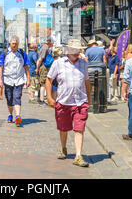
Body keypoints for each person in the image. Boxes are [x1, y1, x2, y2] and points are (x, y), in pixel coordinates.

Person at [45, 39, 91, 168]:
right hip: (64, 102)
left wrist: (89, 97)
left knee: (79, 128)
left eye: (79, 50)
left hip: (80, 102)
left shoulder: (83, 64)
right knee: (63, 128)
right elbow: (48, 80)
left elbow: (87, 81)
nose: (78, 52)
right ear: (68, 50)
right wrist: (49, 97)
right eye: (75, 50)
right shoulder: (58, 63)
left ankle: (78, 156)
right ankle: (64, 147)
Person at [0, 35, 30, 127]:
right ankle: (10, 114)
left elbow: (26, 67)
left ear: (18, 44)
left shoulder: (22, 53)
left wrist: (28, 79)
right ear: (10, 44)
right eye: (13, 43)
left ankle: (18, 116)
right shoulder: (5, 53)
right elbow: (0, 67)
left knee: (17, 97)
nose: (14, 45)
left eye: (16, 44)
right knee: (9, 99)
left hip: (19, 79)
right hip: (7, 79)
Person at [36, 37, 54, 105]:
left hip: (44, 66)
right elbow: (40, 59)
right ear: (50, 42)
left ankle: (40, 98)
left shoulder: (45, 47)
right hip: (43, 67)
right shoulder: (45, 48)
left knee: (42, 82)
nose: (53, 43)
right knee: (43, 83)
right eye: (52, 42)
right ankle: (41, 100)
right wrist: (37, 68)